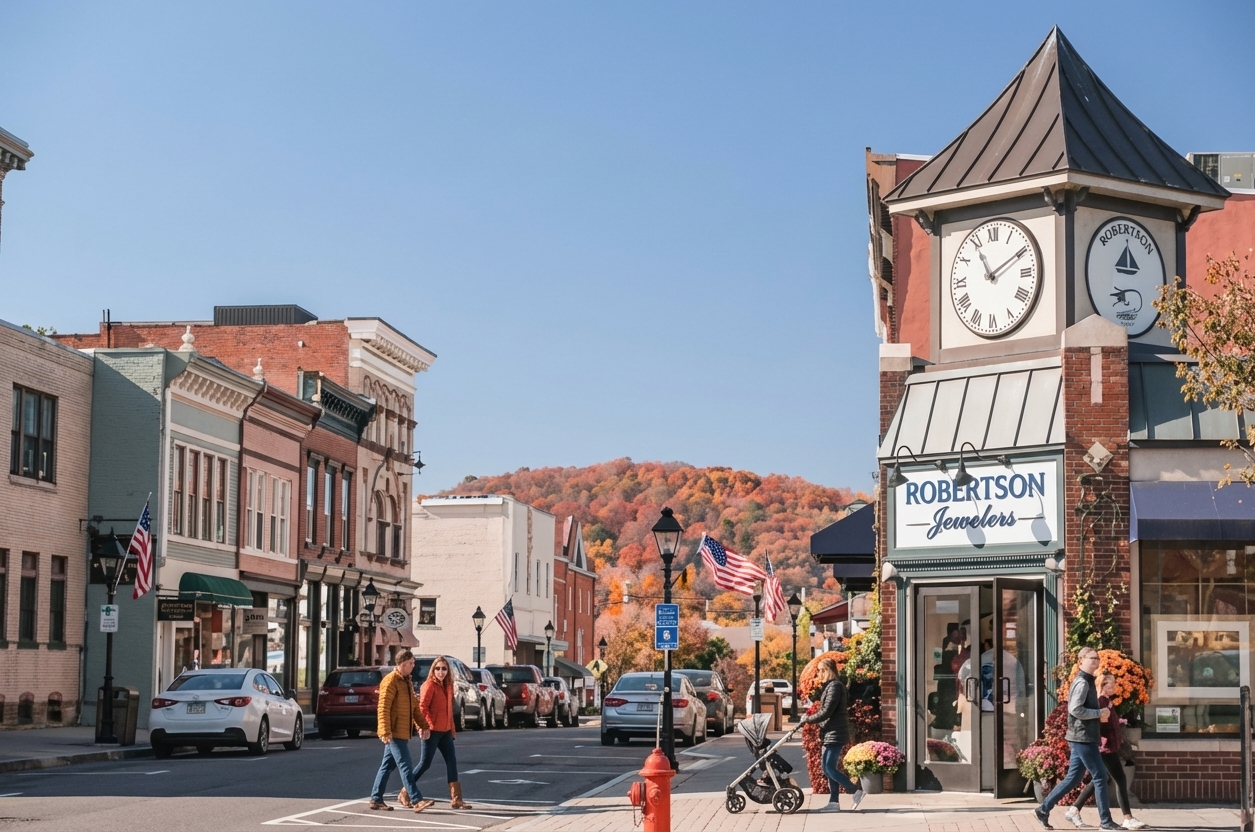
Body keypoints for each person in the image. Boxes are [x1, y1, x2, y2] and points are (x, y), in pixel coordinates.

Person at [1035, 647, 1117, 830]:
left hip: (1082, 736)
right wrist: (1099, 713)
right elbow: (1075, 709)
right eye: (1091, 658)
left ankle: (1043, 809)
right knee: (1100, 776)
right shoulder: (1082, 682)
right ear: (1081, 661)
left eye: (1097, 658)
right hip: (1082, 737)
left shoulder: (1088, 680)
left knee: (1073, 778)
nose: (1095, 661)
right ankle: (1106, 821)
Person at [1065, 672, 1147, 830]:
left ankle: (1074, 809)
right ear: (1103, 685)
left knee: (1099, 779)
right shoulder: (1102, 700)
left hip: (1108, 746)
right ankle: (1127, 818)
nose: (1114, 686)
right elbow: (1100, 724)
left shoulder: (1107, 700)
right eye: (1111, 683)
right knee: (1120, 779)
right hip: (1105, 747)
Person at [369, 649, 434, 813]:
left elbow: (414, 708)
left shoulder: (406, 681)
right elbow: (383, 708)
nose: (413, 666)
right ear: (402, 663)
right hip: (394, 732)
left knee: (386, 766)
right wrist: (384, 731)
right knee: (405, 765)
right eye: (411, 663)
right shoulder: (390, 681)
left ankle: (376, 798)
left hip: (402, 731)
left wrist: (424, 725)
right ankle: (416, 800)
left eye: (413, 663)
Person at [799, 658, 865, 813]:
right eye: (819, 670)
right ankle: (834, 802)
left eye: (822, 670)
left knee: (828, 767)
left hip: (836, 733)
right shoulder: (831, 687)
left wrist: (808, 719)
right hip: (829, 732)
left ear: (829, 670)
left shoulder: (835, 687)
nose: (819, 673)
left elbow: (826, 711)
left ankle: (855, 790)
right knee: (828, 768)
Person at [409, 656, 471, 810]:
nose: (441, 672)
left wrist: (452, 730)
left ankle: (456, 799)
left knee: (452, 761)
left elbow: (449, 711)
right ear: (433, 670)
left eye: (444, 669)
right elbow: (422, 708)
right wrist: (425, 727)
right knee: (425, 763)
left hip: (445, 731)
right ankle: (406, 791)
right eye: (438, 669)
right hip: (431, 731)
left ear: (448, 670)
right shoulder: (429, 685)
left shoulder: (448, 685)